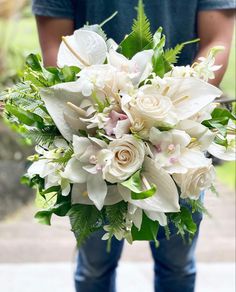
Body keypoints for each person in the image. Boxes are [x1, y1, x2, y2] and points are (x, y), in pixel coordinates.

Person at [32, 1, 235, 291]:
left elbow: (217, 41)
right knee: (93, 269)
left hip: (178, 137)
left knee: (177, 265)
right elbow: (55, 43)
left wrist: (171, 115)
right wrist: (100, 117)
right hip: (93, 137)